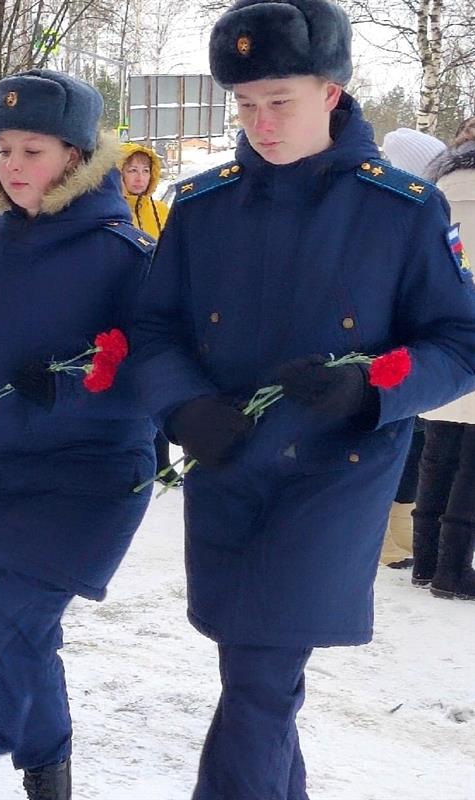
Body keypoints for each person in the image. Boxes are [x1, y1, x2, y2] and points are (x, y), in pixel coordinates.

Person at [133, 0, 475, 797]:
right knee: (256, 681)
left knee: (258, 675)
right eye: (245, 105)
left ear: (330, 91)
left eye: (278, 100)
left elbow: (459, 344)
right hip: (229, 468)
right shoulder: (201, 206)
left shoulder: (402, 208)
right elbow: (153, 330)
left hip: (335, 476)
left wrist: (369, 387)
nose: (260, 122)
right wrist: (182, 408)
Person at [0, 69, 156, 800]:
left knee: (15, 629)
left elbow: (151, 369)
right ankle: (49, 783)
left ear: (77, 159)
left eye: (33, 151)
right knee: (27, 638)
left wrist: (73, 384)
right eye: (4, 149)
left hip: (93, 477)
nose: (13, 166)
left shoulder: (123, 254)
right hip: (6, 475)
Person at [377, 128, 447, 569]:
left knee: (417, 444)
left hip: (415, 345)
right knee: (394, 439)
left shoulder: (422, 213)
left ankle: (401, 524)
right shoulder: (388, 213)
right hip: (390, 349)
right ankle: (382, 533)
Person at [412, 116, 475, 599]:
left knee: (436, 453)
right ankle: (453, 570)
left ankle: (425, 560)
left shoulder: (433, 190)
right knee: (471, 464)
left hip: (440, 335)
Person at [119, 143, 178, 485]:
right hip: (121, 314)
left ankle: (162, 462)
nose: (139, 178)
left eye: (145, 170)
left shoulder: (162, 212)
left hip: (155, 313)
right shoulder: (111, 210)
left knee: (158, 386)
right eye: (131, 170)